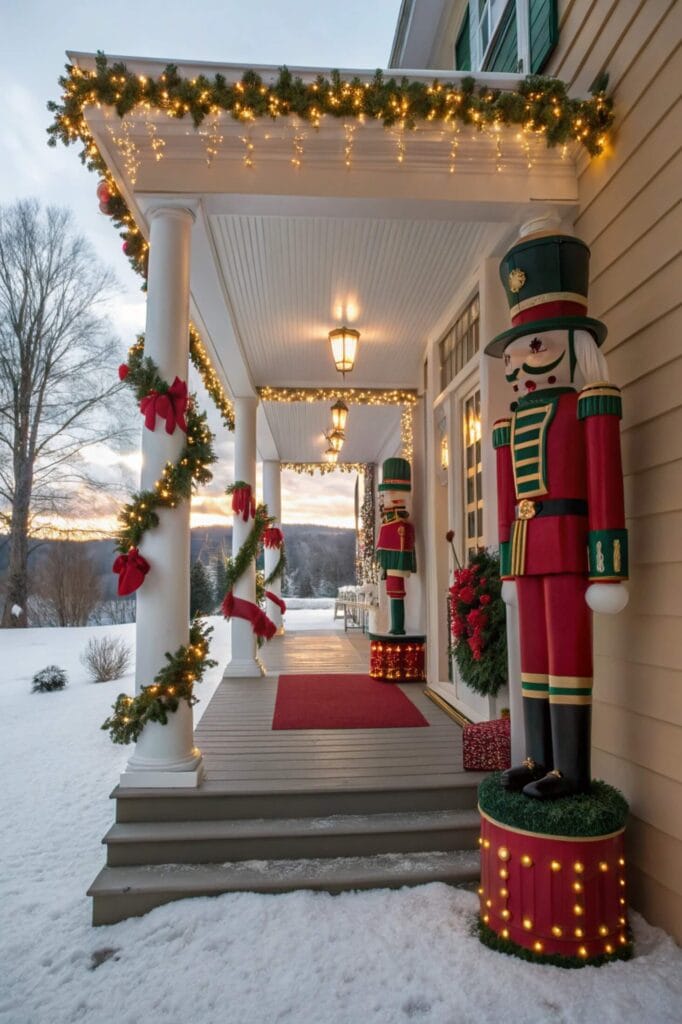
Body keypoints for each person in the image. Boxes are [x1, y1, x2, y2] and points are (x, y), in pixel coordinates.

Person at [486, 224, 628, 799]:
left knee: (568, 650)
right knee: (536, 657)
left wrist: (608, 565)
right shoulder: (508, 424)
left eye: (536, 346)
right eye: (515, 353)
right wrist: (507, 569)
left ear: (575, 344)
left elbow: (605, 482)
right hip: (527, 546)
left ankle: (570, 769)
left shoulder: (590, 405)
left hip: (571, 542)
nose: (520, 363)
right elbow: (504, 498)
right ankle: (537, 757)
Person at [376, 457, 416, 636]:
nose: (383, 500)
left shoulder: (399, 524)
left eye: (387, 495)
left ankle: (398, 627)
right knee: (394, 591)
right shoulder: (392, 521)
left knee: (396, 592)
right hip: (391, 562)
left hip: (396, 562)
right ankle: (396, 626)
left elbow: (396, 542)